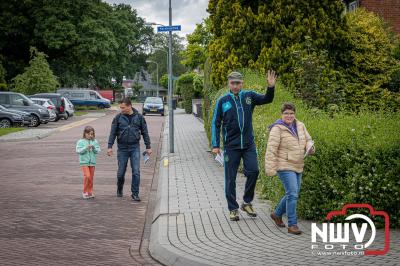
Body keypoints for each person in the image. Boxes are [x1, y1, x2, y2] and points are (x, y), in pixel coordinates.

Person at [212, 70, 277, 221]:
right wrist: (215, 144)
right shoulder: (223, 101)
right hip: (231, 146)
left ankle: (247, 202)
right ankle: (233, 208)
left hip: (248, 144)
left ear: (242, 83)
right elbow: (215, 123)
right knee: (230, 179)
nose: (235, 86)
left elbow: (267, 99)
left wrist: (271, 87)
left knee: (254, 171)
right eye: (233, 83)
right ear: (228, 84)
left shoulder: (249, 96)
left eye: (238, 83)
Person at [265, 103, 315, 235]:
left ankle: (277, 214)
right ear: (282, 115)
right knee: (292, 193)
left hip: (298, 164)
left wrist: (310, 147)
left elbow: (308, 139)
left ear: (295, 114)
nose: (289, 116)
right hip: (284, 165)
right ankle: (292, 225)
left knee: (292, 193)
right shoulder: (277, 128)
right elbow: (271, 150)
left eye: (291, 113)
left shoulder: (300, 125)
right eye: (286, 113)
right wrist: (270, 168)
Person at [107, 98, 151, 201]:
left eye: (123, 107)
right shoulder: (118, 118)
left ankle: (135, 193)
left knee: (136, 171)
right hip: (122, 148)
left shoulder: (139, 117)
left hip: (134, 147)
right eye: (120, 107)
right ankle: (120, 187)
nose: (121, 109)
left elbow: (145, 132)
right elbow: (113, 133)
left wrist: (148, 147)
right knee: (121, 172)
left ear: (129, 106)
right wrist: (110, 147)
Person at [76, 126, 101, 199]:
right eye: (89, 134)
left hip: (92, 162)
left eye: (92, 134)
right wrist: (86, 148)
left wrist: (94, 148)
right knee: (87, 176)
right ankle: (85, 192)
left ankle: (90, 192)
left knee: (91, 177)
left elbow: (98, 151)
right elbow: (78, 151)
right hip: (84, 162)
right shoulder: (80, 141)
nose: (91, 136)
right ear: (85, 133)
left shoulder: (94, 141)